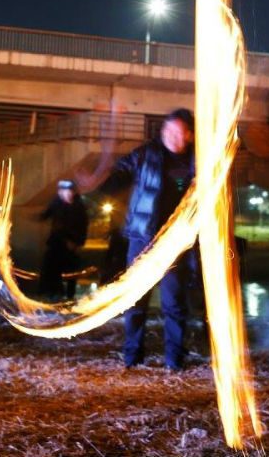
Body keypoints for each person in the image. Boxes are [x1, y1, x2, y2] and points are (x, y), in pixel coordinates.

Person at [95, 108, 196, 371]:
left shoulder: (199, 162)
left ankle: (174, 361)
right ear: (162, 132)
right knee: (136, 300)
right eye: (169, 131)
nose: (173, 136)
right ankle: (133, 357)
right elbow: (121, 171)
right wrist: (100, 187)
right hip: (143, 238)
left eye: (180, 132)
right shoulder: (145, 154)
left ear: (190, 135)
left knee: (173, 303)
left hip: (175, 242)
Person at [37, 179, 89, 299]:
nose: (67, 194)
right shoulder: (56, 203)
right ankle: (54, 293)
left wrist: (77, 243)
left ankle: (70, 297)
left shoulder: (79, 206)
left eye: (70, 191)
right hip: (57, 242)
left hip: (72, 244)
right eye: (64, 191)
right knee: (51, 268)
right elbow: (46, 215)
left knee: (71, 272)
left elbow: (83, 225)